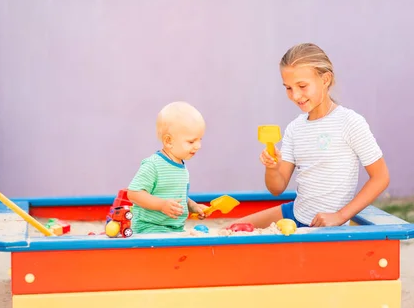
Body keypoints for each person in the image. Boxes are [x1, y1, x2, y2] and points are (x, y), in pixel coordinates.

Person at [237, 42, 390, 229]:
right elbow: (277, 188)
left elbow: (381, 177)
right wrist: (272, 168)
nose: (295, 95)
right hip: (295, 214)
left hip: (329, 224)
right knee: (232, 228)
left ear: (325, 80)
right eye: (288, 88)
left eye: (302, 86)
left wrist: (341, 216)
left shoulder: (350, 122)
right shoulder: (295, 128)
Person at [126, 101, 209, 234]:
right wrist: (162, 205)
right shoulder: (153, 164)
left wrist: (192, 206)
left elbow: (175, 194)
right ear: (168, 141)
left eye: (200, 140)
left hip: (174, 228)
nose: (198, 146)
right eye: (191, 141)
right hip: (149, 228)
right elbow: (134, 193)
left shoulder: (180, 165)